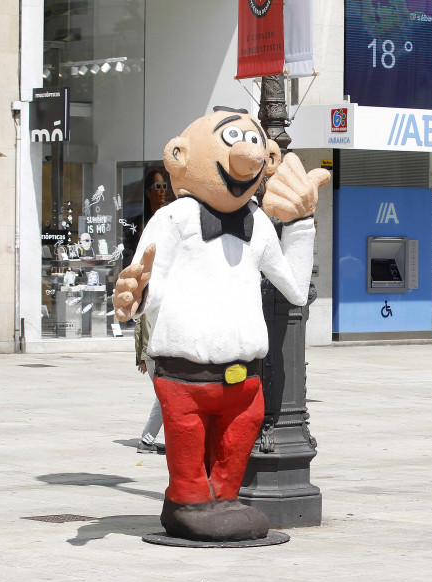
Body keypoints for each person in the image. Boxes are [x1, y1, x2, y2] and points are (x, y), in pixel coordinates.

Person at [113, 107, 330, 541]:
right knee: (188, 445)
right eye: (230, 139)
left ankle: (222, 499)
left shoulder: (259, 224)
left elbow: (292, 286)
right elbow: (146, 278)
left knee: (237, 440)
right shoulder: (174, 218)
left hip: (243, 379)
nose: (246, 155)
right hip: (184, 376)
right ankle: (189, 503)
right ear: (181, 155)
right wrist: (134, 299)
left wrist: (302, 224)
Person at [135, 312, 165, 454]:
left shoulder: (147, 304)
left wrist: (141, 359)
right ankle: (147, 440)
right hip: (160, 357)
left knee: (164, 398)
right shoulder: (160, 306)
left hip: (151, 356)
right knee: (164, 398)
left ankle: (148, 439)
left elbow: (138, 331)